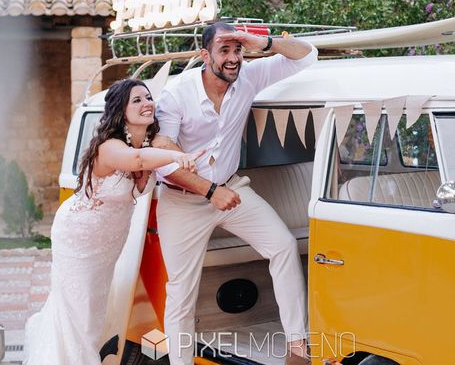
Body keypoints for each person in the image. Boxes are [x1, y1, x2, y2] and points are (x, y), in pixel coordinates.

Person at [153, 22, 318, 365]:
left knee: (284, 245)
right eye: (224, 50)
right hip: (183, 201)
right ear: (205, 55)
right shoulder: (177, 92)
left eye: (237, 50)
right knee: (181, 292)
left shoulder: (249, 77)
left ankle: (297, 349)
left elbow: (307, 56)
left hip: (229, 189)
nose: (233, 58)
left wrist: (262, 41)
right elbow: (163, 160)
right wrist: (210, 191)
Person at [24, 78, 202, 365]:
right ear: (121, 110)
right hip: (79, 236)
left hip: (108, 241)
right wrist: (178, 156)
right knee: (79, 311)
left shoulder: (147, 143)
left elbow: (143, 167)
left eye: (148, 98)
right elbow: (138, 160)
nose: (147, 104)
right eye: (137, 100)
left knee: (94, 311)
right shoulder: (109, 147)